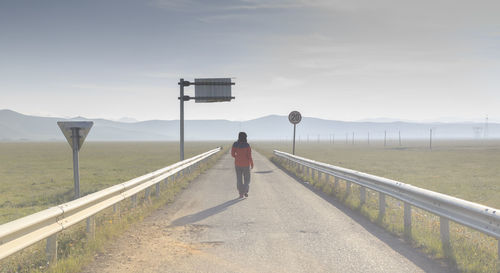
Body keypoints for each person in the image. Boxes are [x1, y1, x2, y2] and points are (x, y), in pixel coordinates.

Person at [231, 132, 254, 198]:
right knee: (247, 179)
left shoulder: (235, 144)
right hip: (246, 164)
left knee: (239, 178)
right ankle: (245, 191)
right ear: (245, 137)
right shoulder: (247, 145)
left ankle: (241, 193)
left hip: (237, 164)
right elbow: (249, 156)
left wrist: (237, 157)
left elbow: (232, 154)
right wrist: (251, 163)